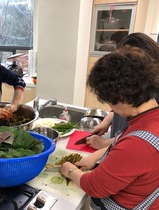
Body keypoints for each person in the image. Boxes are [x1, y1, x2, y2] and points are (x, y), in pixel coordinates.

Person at [61, 46, 159, 209]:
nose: (109, 106)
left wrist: (69, 170)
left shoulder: (137, 144)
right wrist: (95, 157)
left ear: (119, 98)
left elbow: (94, 187)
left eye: (107, 100)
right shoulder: (150, 117)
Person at [86, 32, 159, 149]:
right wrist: (106, 122)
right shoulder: (129, 90)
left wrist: (104, 144)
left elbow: (140, 137)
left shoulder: (150, 94)